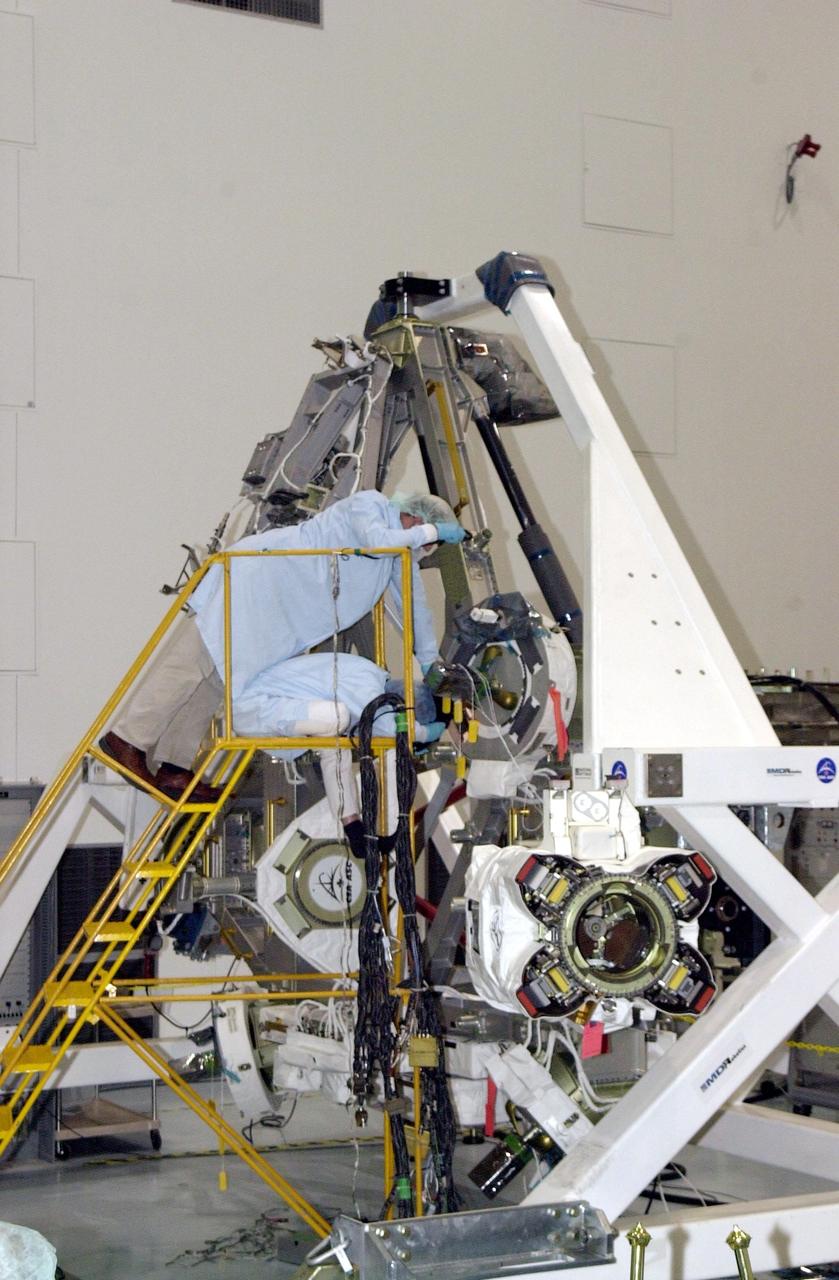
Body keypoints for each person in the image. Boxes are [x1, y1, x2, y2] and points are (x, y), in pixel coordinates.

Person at [100, 490, 465, 799]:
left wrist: (433, 666)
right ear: (416, 522)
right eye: (426, 539)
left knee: (218, 682)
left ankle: (174, 767)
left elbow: (416, 610)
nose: (422, 549)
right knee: (190, 662)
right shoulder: (370, 506)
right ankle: (127, 739)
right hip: (254, 581)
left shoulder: (394, 559)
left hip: (279, 618)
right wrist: (435, 530)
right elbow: (375, 540)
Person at [233, 649, 444, 856]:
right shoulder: (367, 689)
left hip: (264, 710)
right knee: (337, 719)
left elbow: (334, 754)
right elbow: (392, 729)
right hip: (258, 706)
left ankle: (350, 822)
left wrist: (352, 827)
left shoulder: (360, 695)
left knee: (336, 736)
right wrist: (424, 734)